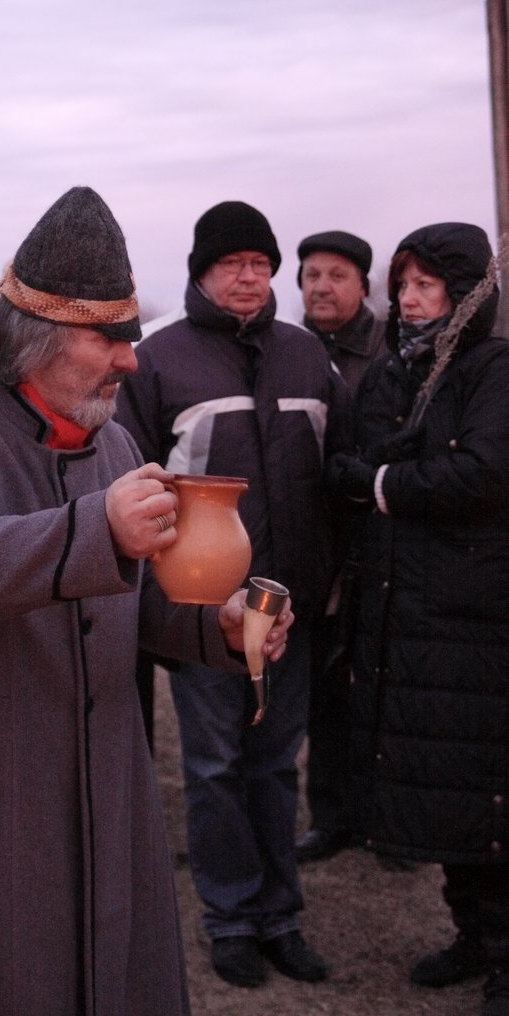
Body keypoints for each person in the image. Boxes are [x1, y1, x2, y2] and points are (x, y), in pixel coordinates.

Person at [0, 187, 293, 1016]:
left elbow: (128, 595)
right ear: (33, 338)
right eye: (106, 339)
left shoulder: (114, 442)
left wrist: (217, 628)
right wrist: (95, 528)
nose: (129, 361)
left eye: (130, 337)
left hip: (102, 771)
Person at [116, 201, 351, 989]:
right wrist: (165, 600)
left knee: (276, 764)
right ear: (201, 271)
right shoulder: (157, 359)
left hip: (290, 607)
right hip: (201, 610)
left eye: (260, 264)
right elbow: (131, 483)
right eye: (231, 264)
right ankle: (230, 918)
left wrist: (327, 582)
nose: (248, 277)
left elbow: (341, 469)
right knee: (215, 766)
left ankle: (281, 917)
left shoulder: (306, 355)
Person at [329, 222, 509, 1016]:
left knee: (485, 787)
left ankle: (503, 953)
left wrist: (378, 485)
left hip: (474, 612)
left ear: (465, 295)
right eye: (401, 284)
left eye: (425, 285)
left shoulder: (492, 367)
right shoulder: (392, 371)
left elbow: (482, 472)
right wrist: (371, 476)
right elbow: (367, 455)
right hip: (401, 605)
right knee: (439, 787)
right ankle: (471, 935)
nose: (406, 298)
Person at [294, 230, 386, 864]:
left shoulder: (390, 351)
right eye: (311, 276)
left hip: (381, 541)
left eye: (337, 276)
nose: (322, 287)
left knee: (384, 687)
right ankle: (330, 818)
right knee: (324, 688)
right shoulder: (289, 349)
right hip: (316, 544)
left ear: (362, 286)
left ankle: (389, 821)